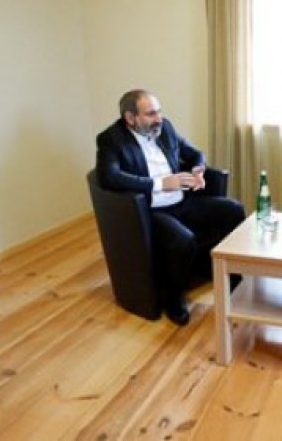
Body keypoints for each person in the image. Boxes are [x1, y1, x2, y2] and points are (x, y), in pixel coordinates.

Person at [95, 89, 245, 326]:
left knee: (234, 210)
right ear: (130, 118)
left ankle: (231, 277)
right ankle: (174, 298)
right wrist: (159, 184)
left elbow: (195, 153)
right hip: (151, 210)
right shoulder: (111, 139)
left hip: (182, 200)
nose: (159, 118)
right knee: (182, 239)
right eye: (151, 114)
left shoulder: (165, 128)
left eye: (159, 111)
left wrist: (198, 170)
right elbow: (108, 177)